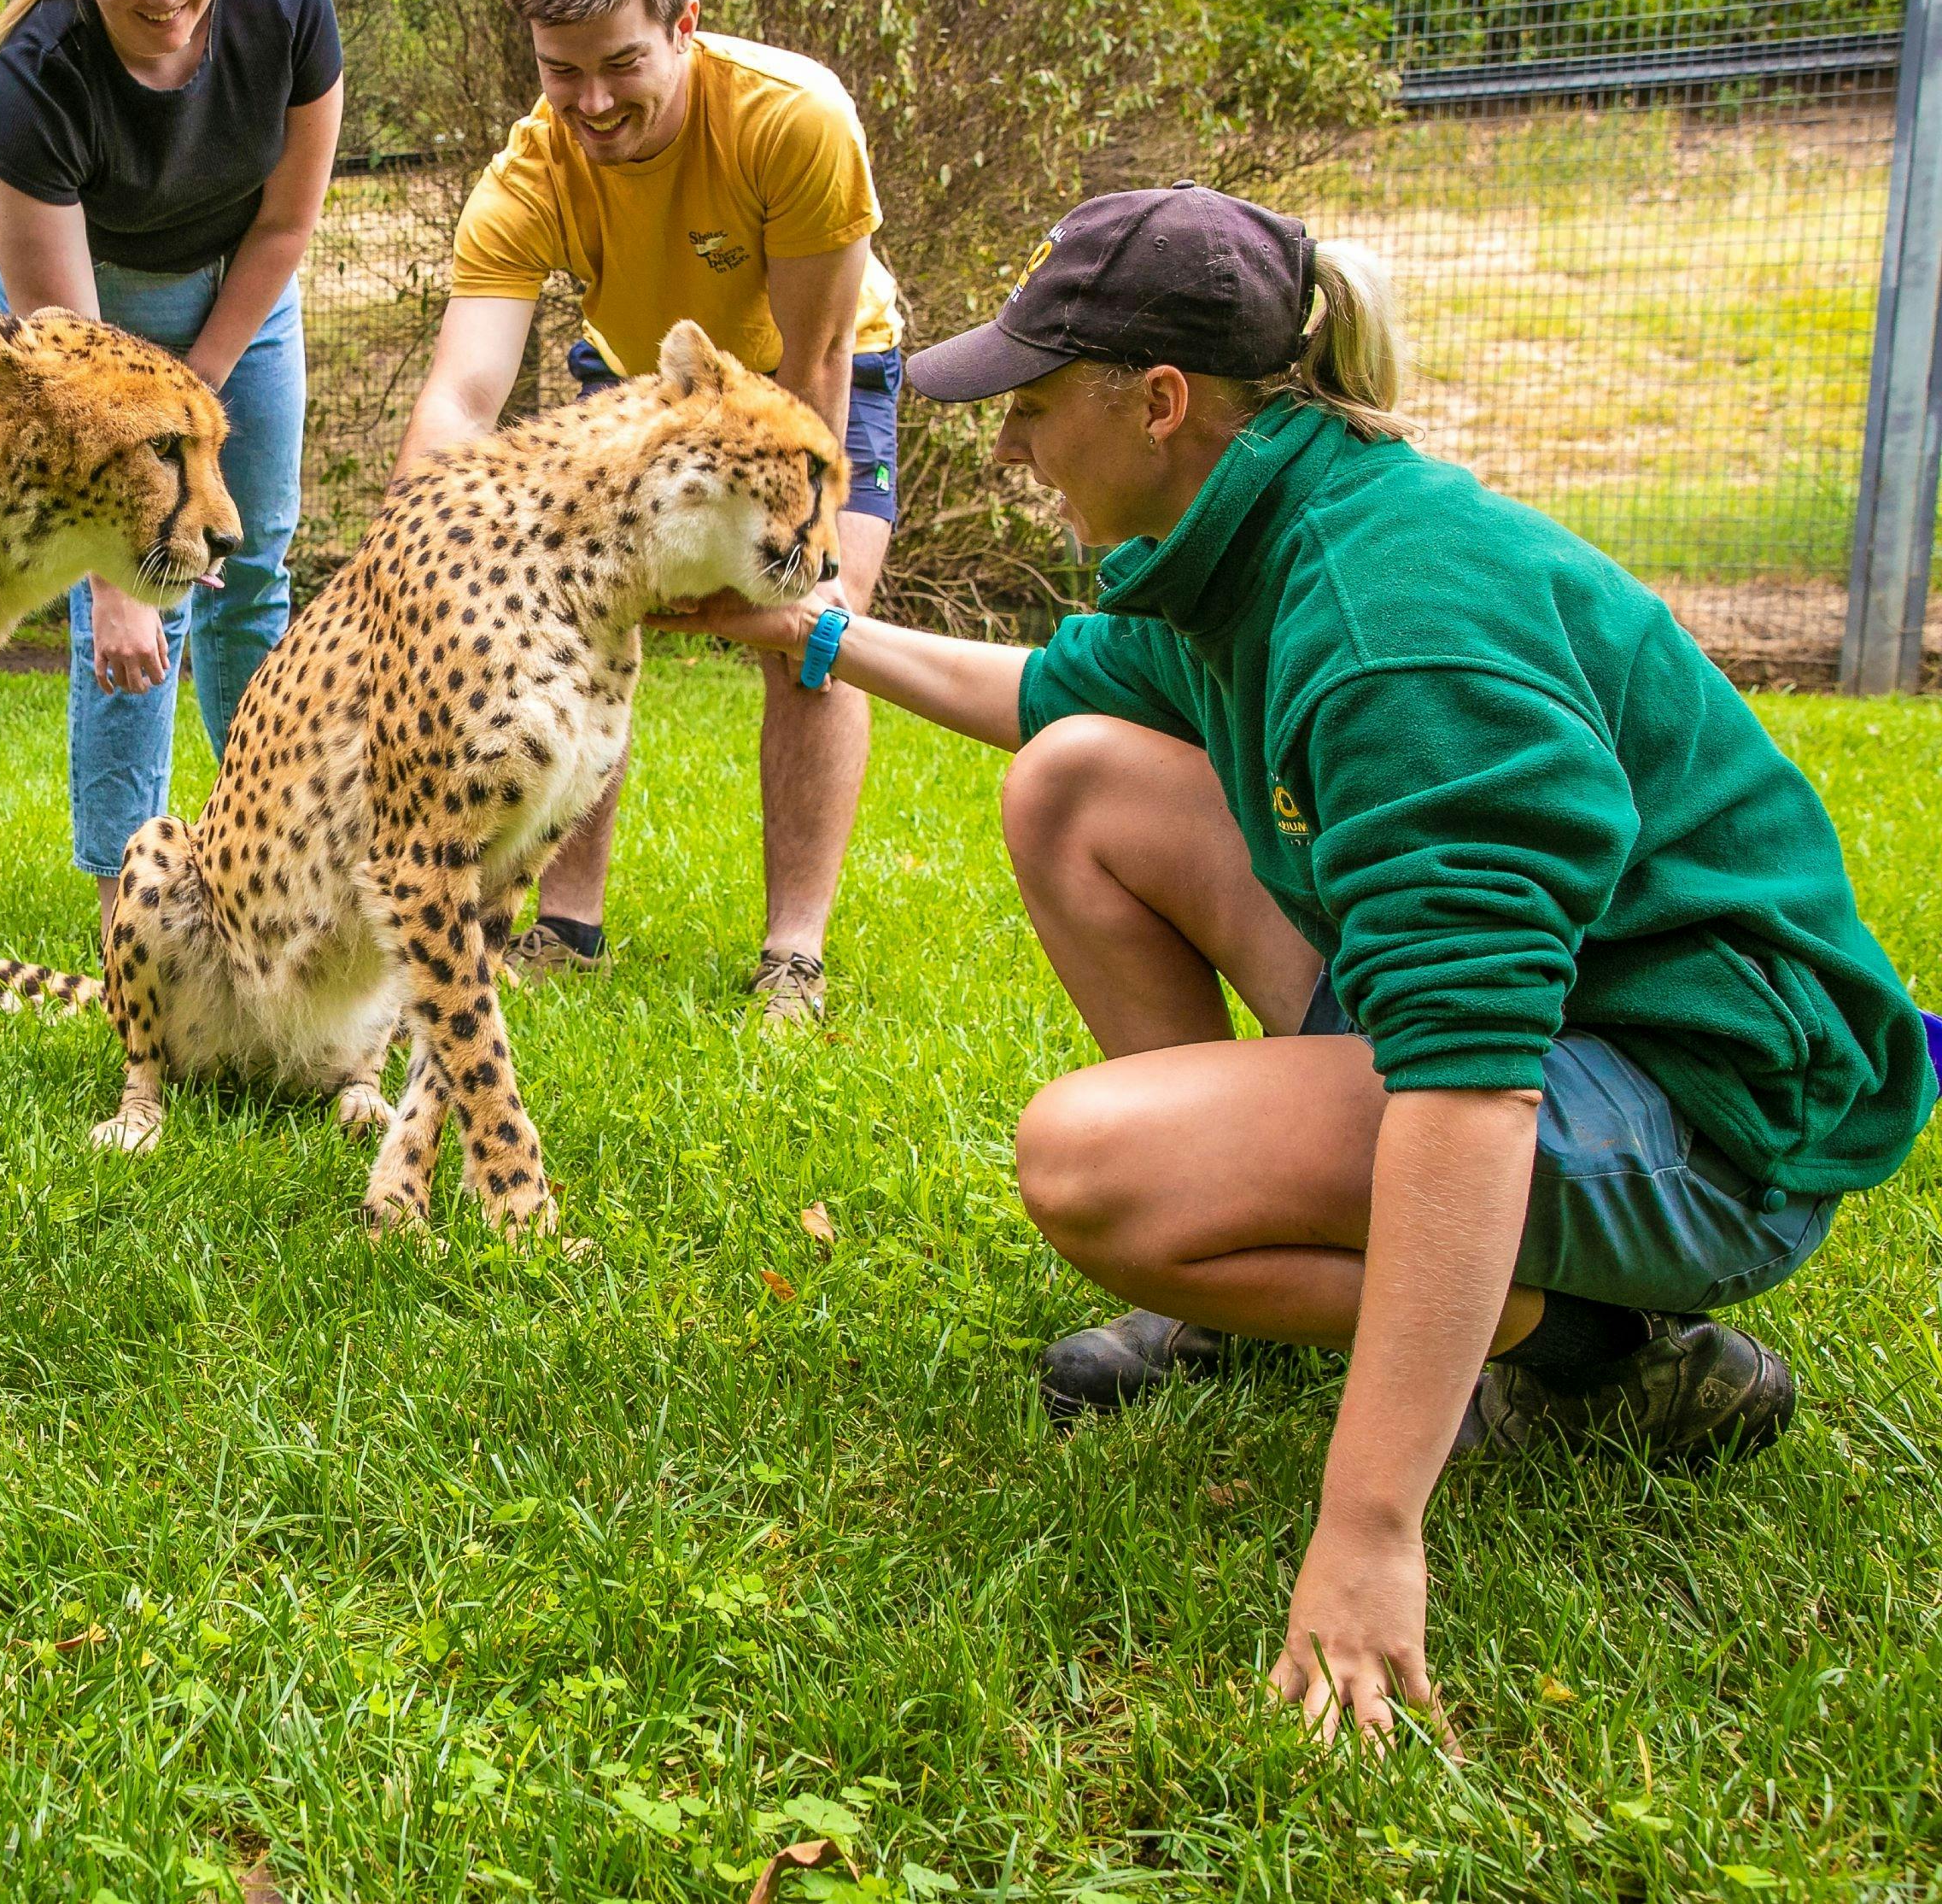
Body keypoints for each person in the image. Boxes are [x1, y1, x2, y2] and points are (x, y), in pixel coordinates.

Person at [801, 182, 1934, 1746]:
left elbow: (1468, 1091)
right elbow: (1050, 691)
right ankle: (1282, 1285)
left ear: (1160, 402)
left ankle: (1596, 1348)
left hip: (1710, 1117)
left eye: (1035, 406)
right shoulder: (1248, 534)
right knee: (1075, 781)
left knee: (1092, 1168)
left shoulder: (1391, 629)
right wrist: (803, 632)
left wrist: (1367, 1532)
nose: (1008, 450)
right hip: (1565, 1032)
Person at [390, 0, 904, 1023]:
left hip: (813, 380)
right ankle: (567, 925)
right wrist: (416, 560)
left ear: (683, 23)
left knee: (818, 631)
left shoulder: (791, 120)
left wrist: (795, 562)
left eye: (621, 64)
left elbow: (810, 376)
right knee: (580, 609)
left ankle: (793, 954)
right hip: (640, 384)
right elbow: (463, 398)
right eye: (559, 71)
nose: (592, 103)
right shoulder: (528, 175)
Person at [0, 0, 342, 932]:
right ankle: (126, 911)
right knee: (137, 608)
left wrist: (204, 383)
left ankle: (273, 866)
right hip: (90, 325)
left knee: (252, 570)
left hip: (242, 290)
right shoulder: (38, 77)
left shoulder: (288, 9)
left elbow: (287, 225)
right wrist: (112, 568)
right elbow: (79, 371)